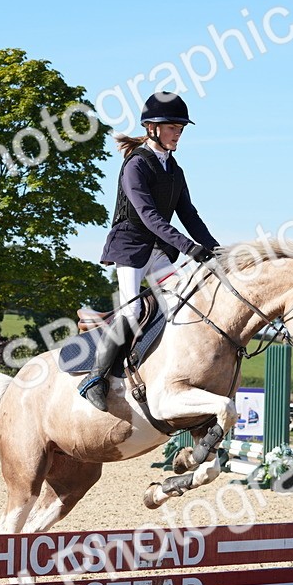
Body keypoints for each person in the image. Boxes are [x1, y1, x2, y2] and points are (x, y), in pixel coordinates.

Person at [78, 91, 221, 411]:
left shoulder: (174, 170)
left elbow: (189, 215)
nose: (178, 133)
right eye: (172, 127)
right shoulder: (136, 165)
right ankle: (94, 378)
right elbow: (149, 216)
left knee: (179, 302)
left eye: (180, 128)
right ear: (152, 128)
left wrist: (215, 250)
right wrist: (188, 247)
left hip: (157, 249)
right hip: (130, 248)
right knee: (131, 311)